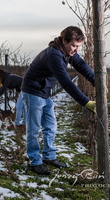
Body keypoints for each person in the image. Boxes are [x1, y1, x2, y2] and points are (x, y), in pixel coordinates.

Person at [21, 26, 96, 175]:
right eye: (74, 45)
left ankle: (49, 156)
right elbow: (66, 82)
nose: (76, 50)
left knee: (50, 126)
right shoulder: (53, 55)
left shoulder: (67, 52)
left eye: (78, 46)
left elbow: (81, 65)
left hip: (44, 92)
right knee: (34, 129)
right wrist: (85, 102)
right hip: (32, 92)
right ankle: (35, 161)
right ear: (64, 40)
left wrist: (96, 81)